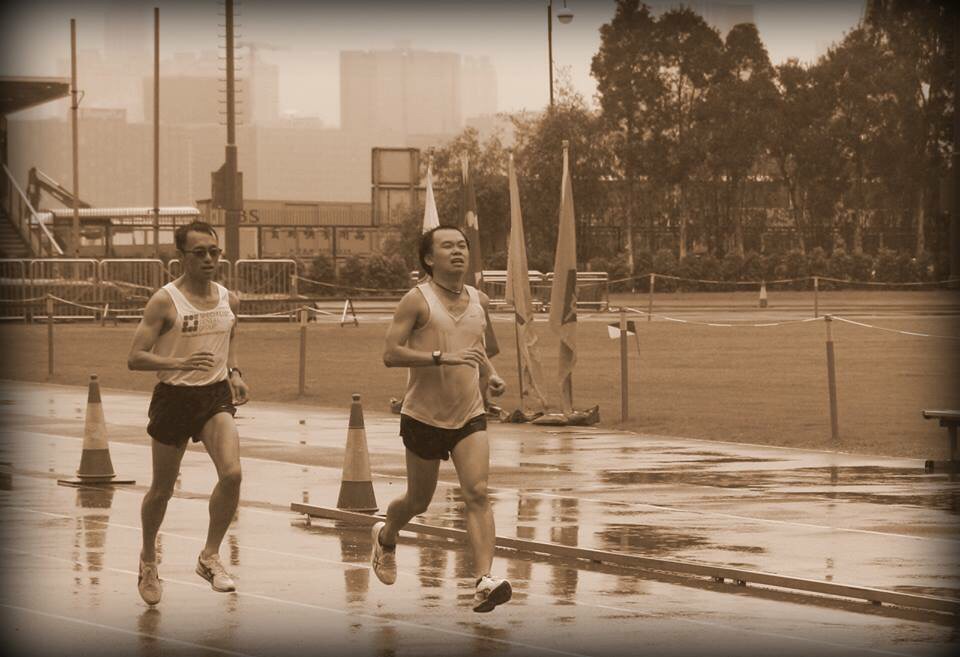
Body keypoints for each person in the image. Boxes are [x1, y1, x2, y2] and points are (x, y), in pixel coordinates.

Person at [375, 225, 510, 613]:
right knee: (418, 501)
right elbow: (390, 353)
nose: (458, 251)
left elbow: (478, 346)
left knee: (477, 492)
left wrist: (491, 375)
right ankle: (386, 535)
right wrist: (440, 357)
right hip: (423, 416)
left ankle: (483, 580)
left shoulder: (479, 300)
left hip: (469, 414)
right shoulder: (417, 301)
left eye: (462, 245)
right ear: (429, 259)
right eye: (447, 246)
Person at [127, 220, 249, 606]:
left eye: (214, 252)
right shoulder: (165, 301)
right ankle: (149, 559)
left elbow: (230, 335)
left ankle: (209, 556)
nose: (209, 259)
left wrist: (234, 372)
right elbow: (135, 357)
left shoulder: (229, 299)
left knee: (232, 474)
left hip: (214, 397)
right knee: (162, 491)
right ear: (181, 257)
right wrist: (178, 361)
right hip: (174, 398)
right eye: (200, 253)